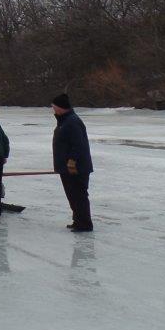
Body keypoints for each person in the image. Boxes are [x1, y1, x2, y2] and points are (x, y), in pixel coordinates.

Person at [52, 93, 93, 232]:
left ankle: (84, 223)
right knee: (73, 195)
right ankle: (78, 220)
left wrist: (72, 161)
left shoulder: (72, 121)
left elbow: (78, 144)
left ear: (61, 107)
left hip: (75, 167)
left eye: (54, 106)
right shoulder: (65, 121)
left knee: (78, 195)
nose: (53, 109)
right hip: (67, 167)